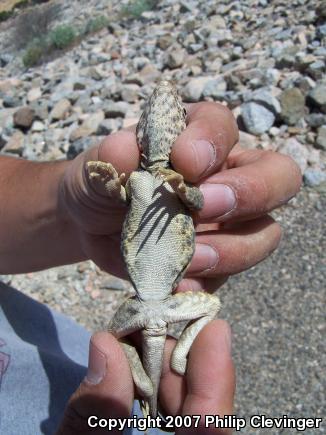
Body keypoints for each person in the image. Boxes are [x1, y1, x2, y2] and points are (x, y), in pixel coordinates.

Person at [0, 101, 301, 434]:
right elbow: (122, 194)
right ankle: (144, 386)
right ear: (141, 132)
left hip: (153, 304)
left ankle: (170, 363)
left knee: (196, 312)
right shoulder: (139, 180)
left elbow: (198, 201)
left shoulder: (177, 178)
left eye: (175, 115)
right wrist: (113, 186)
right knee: (116, 345)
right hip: (143, 304)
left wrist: (183, 189)